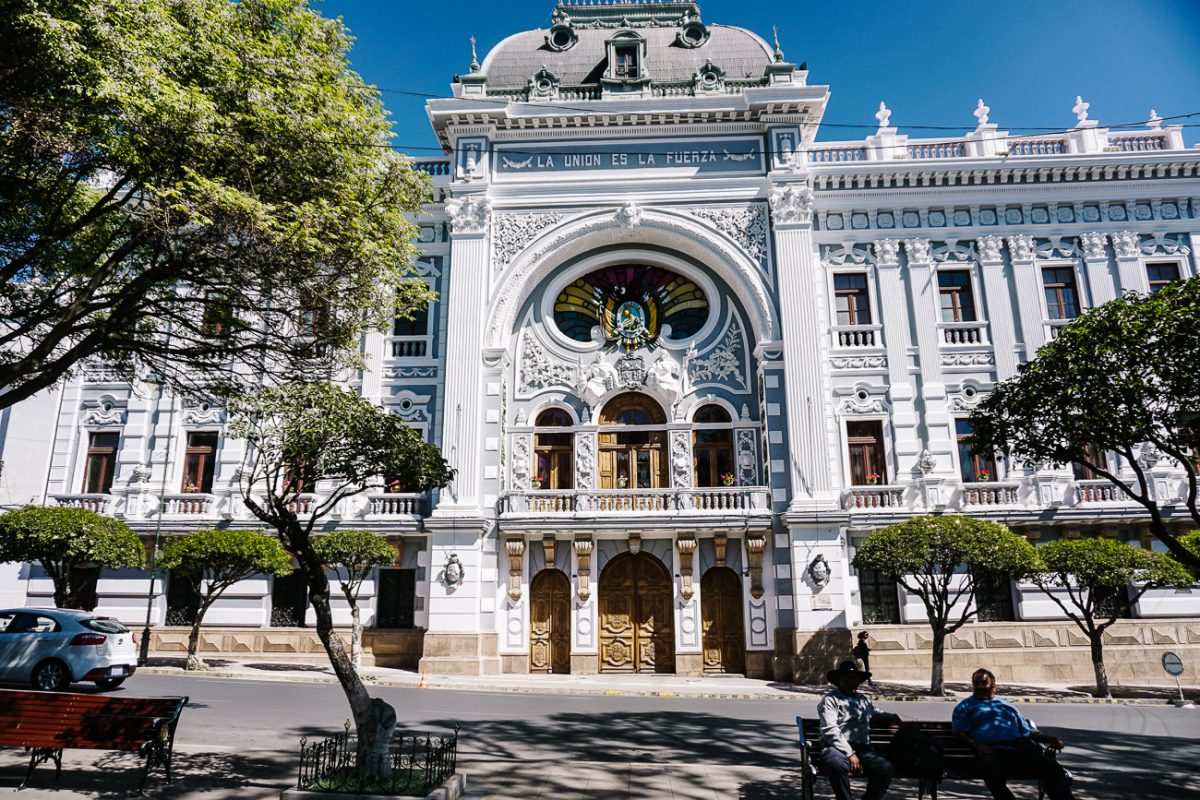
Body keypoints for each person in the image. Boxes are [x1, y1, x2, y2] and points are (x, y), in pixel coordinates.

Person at [952, 668, 1075, 800]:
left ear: (993, 685)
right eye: (976, 683)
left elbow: (1027, 731)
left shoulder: (1006, 705)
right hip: (992, 752)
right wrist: (977, 746)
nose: (979, 686)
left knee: (1052, 768)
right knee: (989, 768)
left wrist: (1049, 738)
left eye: (983, 683)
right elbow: (960, 733)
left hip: (1018, 750)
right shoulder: (964, 707)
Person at [817, 659, 900, 800]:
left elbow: (875, 712)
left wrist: (892, 717)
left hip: (864, 750)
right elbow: (830, 730)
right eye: (848, 678)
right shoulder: (830, 700)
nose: (852, 681)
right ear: (839, 680)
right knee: (835, 764)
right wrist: (850, 753)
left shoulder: (862, 699)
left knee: (884, 767)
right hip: (838, 749)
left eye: (855, 678)